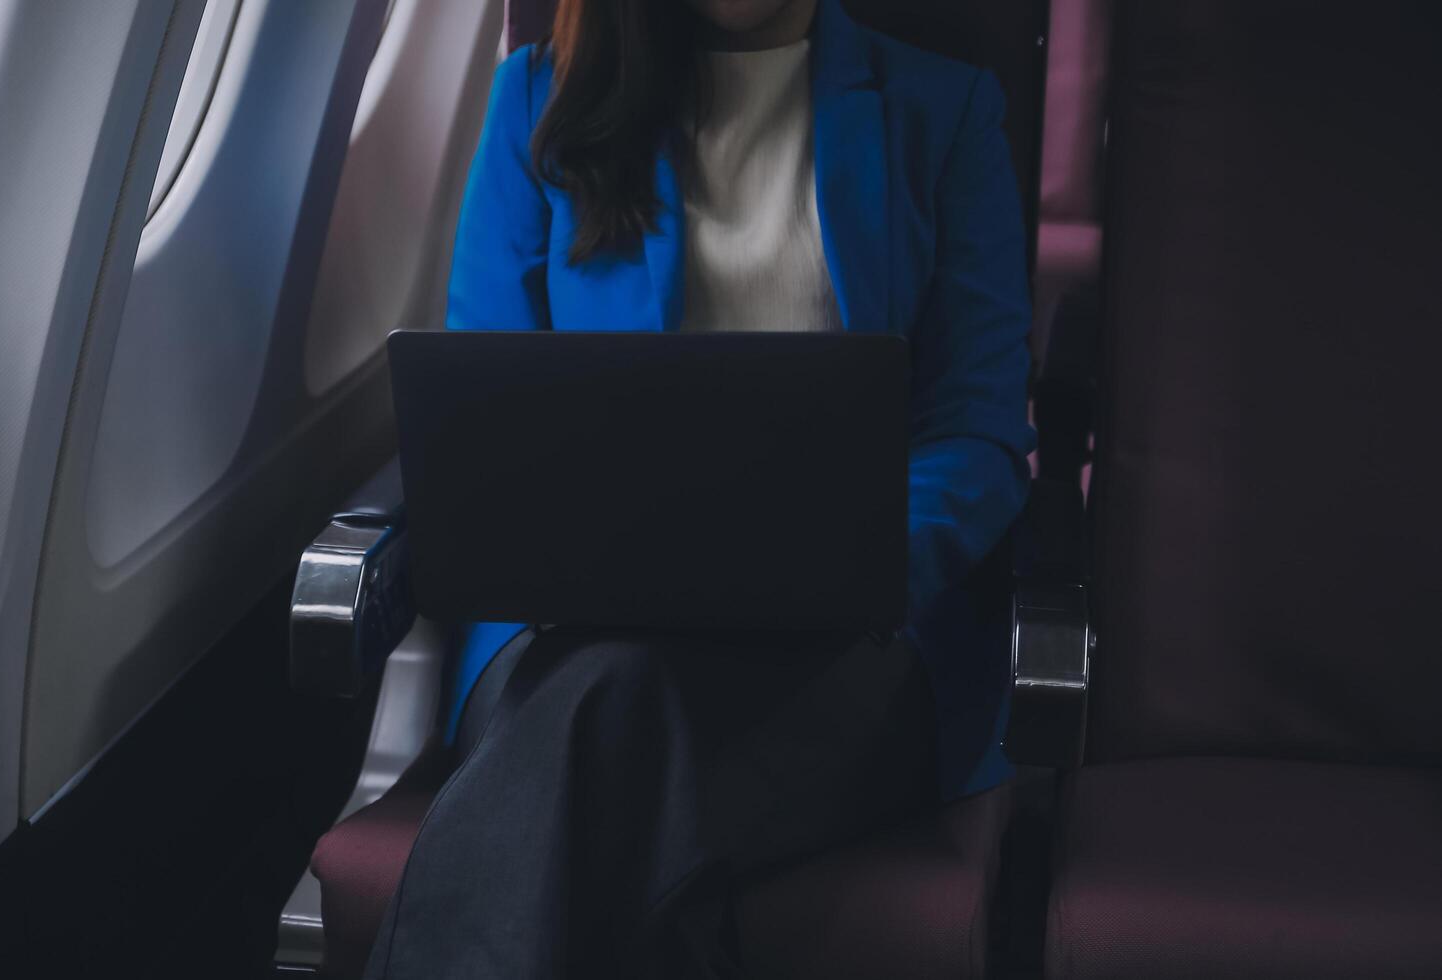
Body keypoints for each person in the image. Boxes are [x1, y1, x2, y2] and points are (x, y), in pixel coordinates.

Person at [366, 0, 1033, 975]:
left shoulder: (941, 111)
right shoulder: (537, 103)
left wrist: (843, 565)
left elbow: (973, 436)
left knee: (607, 724)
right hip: (565, 643)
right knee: (617, 691)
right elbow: (485, 419)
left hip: (842, 654)